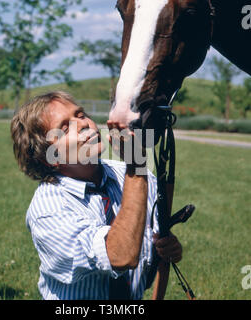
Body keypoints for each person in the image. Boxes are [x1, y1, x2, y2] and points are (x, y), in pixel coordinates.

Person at [10, 91, 182, 300]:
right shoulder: (47, 210)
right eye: (65, 128)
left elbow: (153, 240)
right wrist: (136, 168)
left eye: (81, 115)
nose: (83, 124)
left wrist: (165, 248)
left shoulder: (133, 176)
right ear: (50, 157)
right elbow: (119, 255)